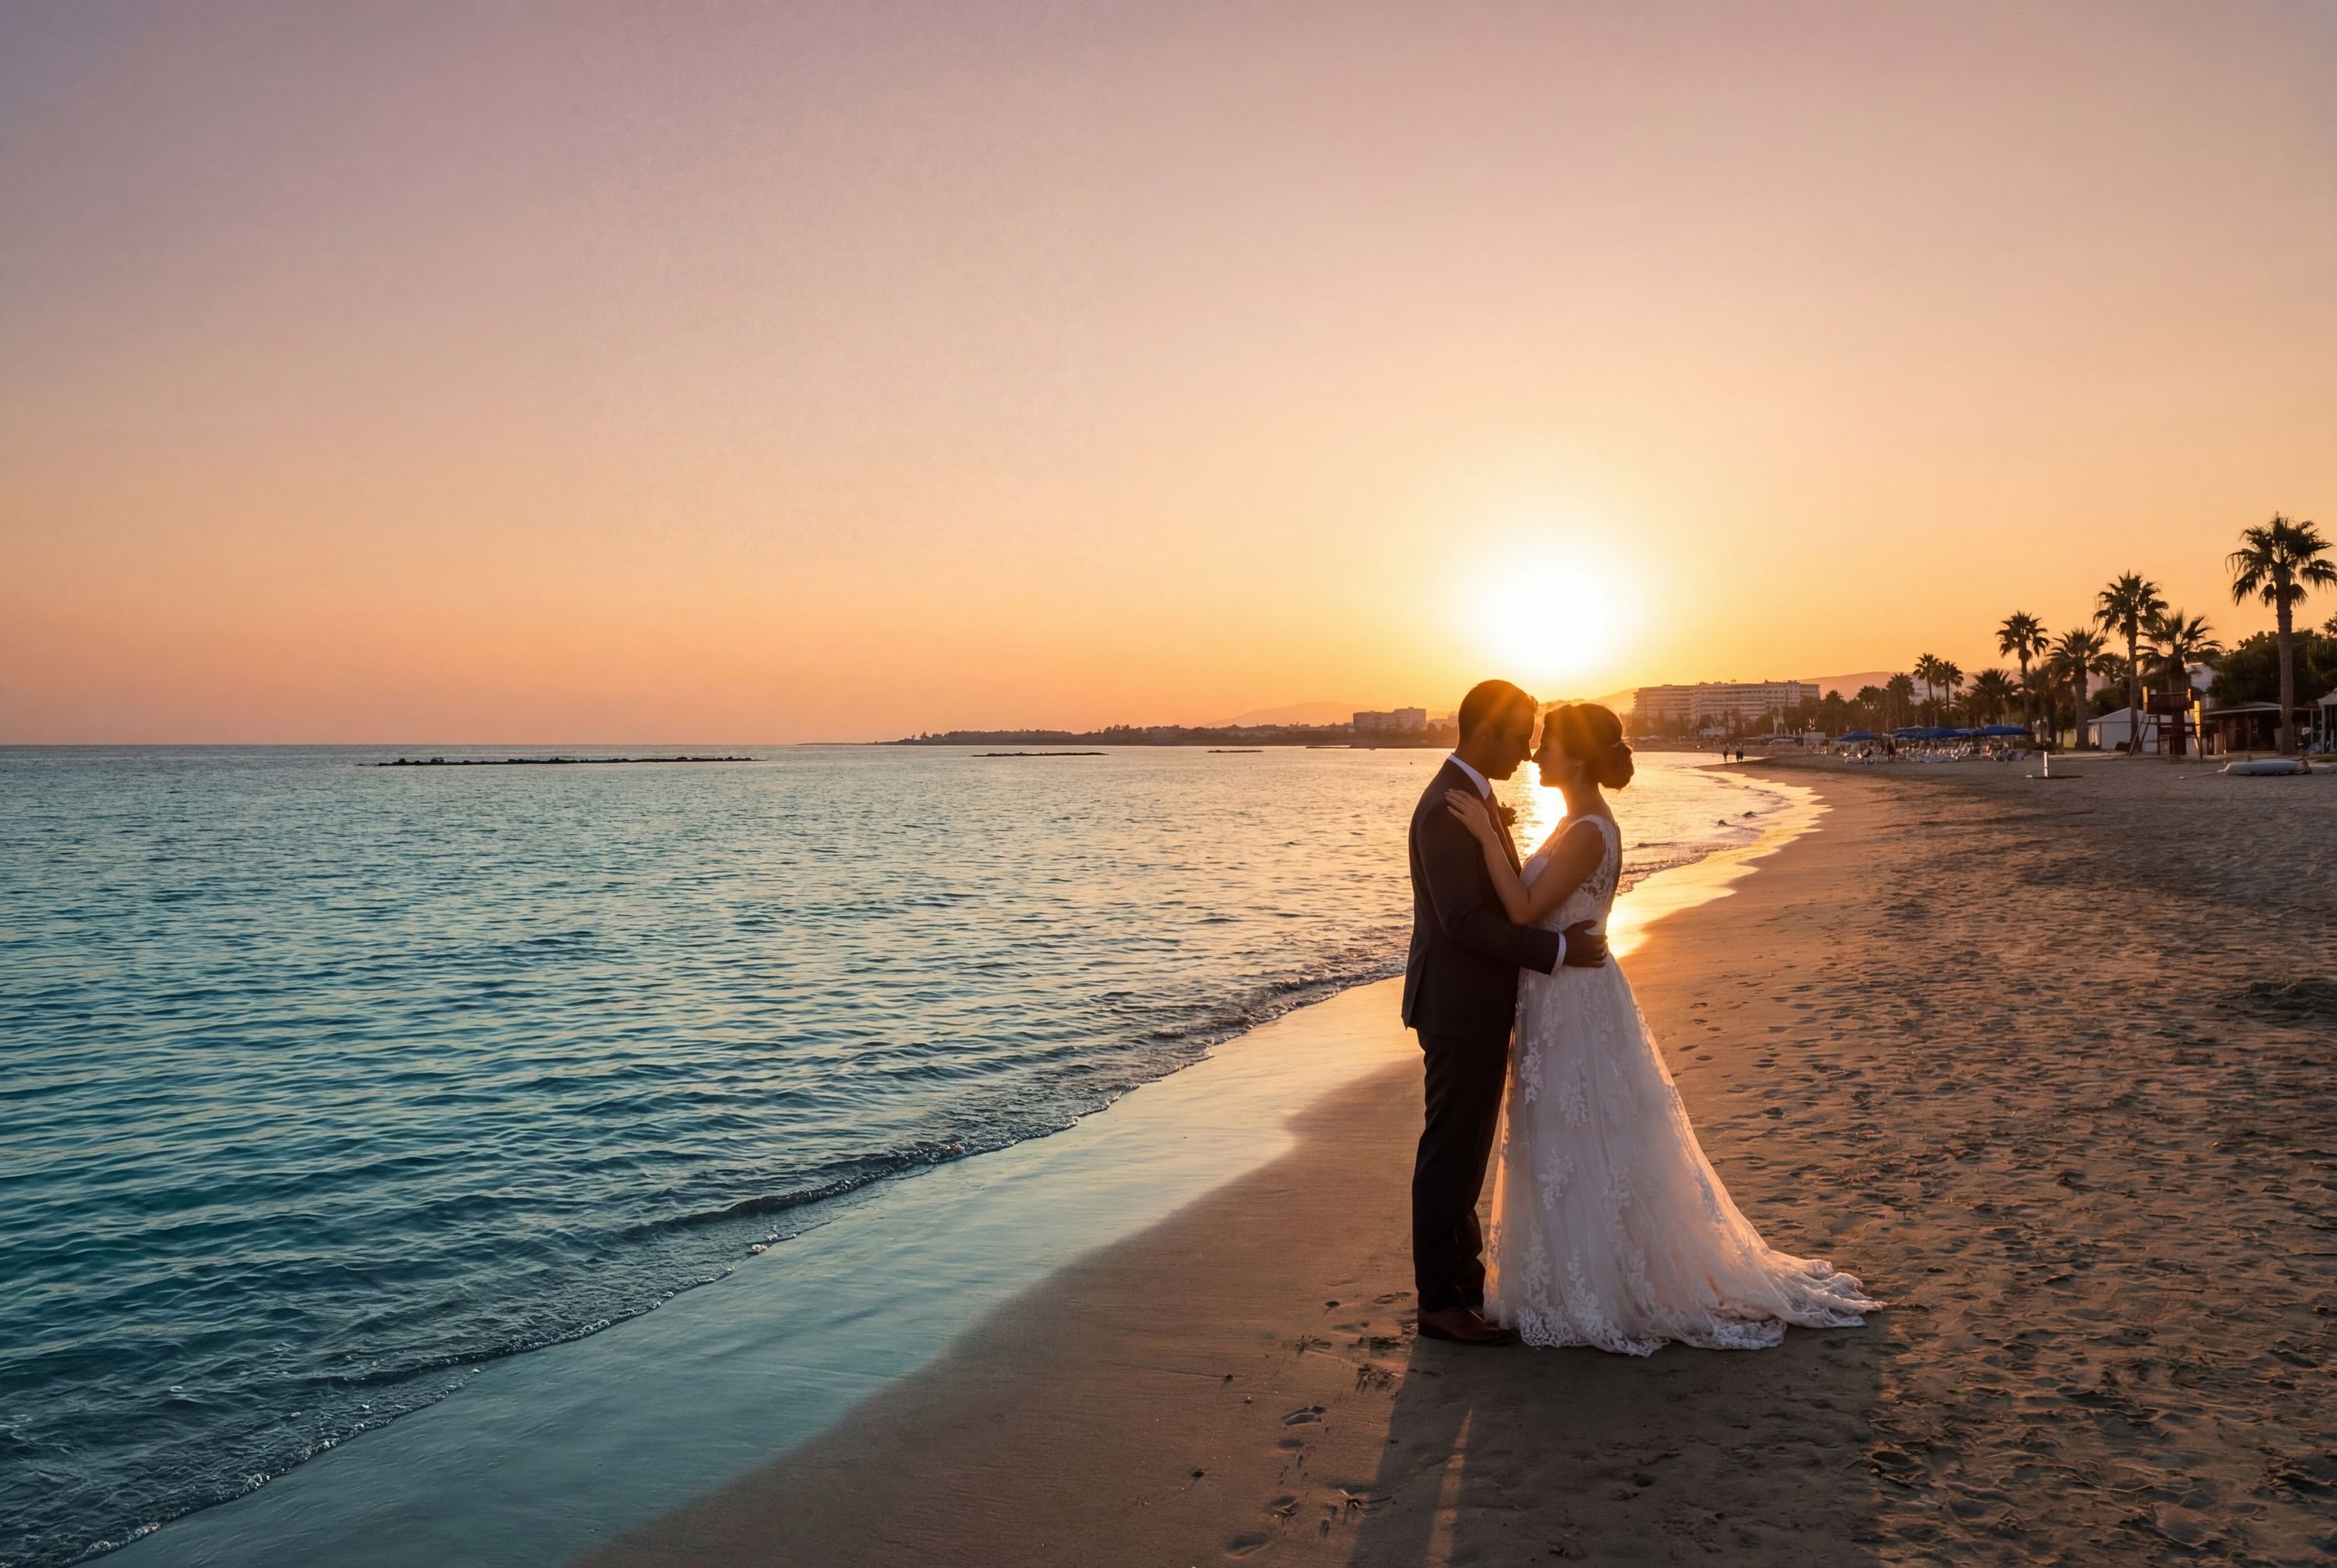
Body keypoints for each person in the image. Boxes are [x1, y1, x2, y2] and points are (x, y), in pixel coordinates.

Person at [1441, 701, 1877, 1353]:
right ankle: (1563, 1278)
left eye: (1549, 744)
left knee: (1583, 1136)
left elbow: (1526, 905)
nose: (1536, 754)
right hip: (1558, 995)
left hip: (1575, 1001)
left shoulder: (1589, 828)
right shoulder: (1573, 823)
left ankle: (1601, 1283)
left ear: (1579, 757)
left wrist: (1482, 835)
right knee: (1564, 1136)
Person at [1401, 679, 1609, 1346]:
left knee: (1464, 1155)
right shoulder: (1446, 807)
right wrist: (1553, 949)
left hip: (1479, 1002)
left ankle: (1462, 1284)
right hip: (1458, 1005)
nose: (1526, 751)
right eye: (1520, 736)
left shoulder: (1478, 799)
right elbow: (1462, 920)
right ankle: (1440, 1300)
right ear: (1484, 733)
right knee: (1450, 1155)